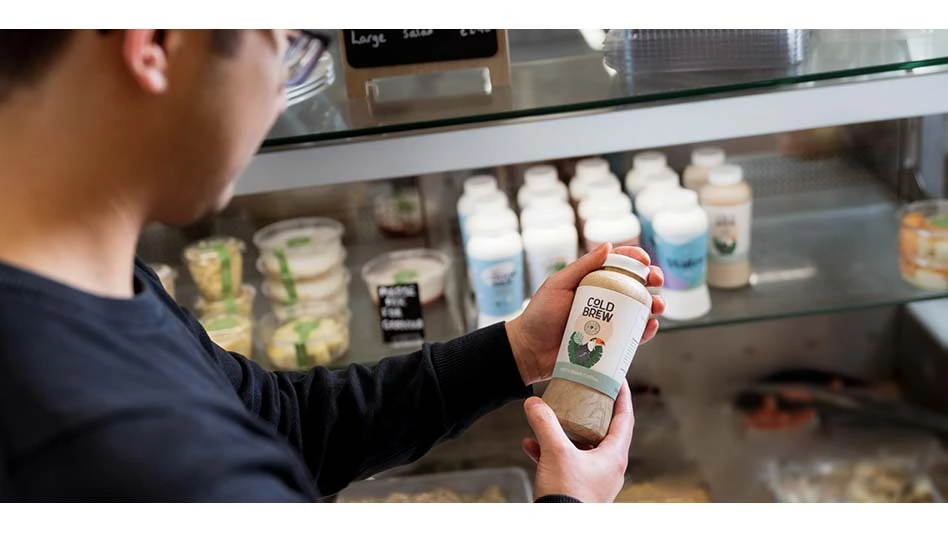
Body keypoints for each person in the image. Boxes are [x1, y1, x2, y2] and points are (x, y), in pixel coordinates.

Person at [0, 30, 665, 503]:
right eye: (286, 45)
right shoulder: (160, 464)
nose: (279, 93)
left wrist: (515, 349)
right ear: (159, 43)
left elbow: (279, 422)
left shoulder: (89, 283)